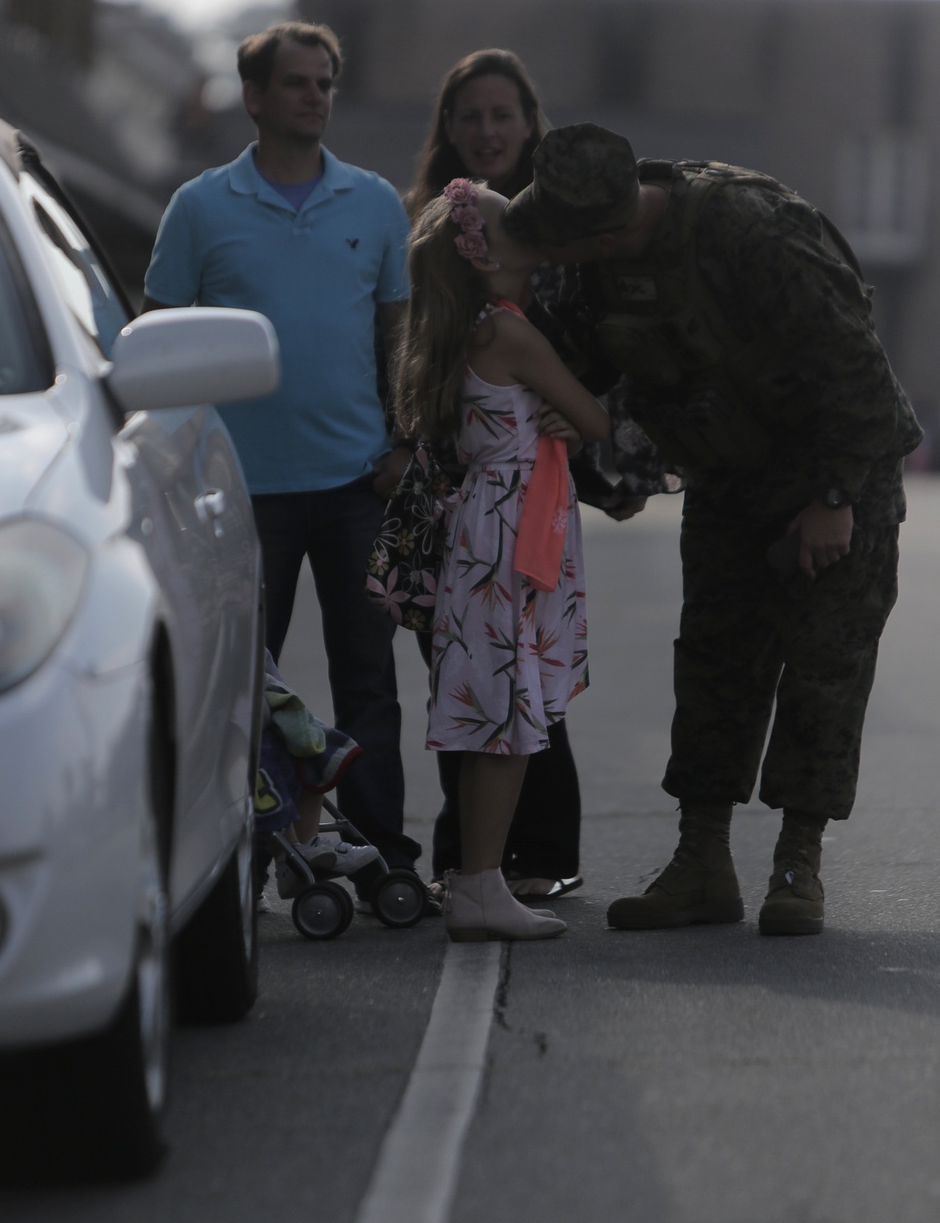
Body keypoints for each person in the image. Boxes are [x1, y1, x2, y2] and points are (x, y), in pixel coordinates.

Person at [502, 123, 923, 936]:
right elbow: (587, 356)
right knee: (714, 660)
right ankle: (702, 863)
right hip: (731, 472)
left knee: (824, 667)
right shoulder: (597, 263)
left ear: (608, 230)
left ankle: (798, 862)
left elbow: (859, 374)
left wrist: (835, 498)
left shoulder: (751, 230)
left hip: (837, 468)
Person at [142, 20, 423, 891]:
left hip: (353, 486)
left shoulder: (374, 204)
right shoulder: (200, 208)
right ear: (255, 97)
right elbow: (156, 339)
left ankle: (378, 855)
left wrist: (403, 445)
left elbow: (401, 335)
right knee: (235, 690)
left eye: (326, 82)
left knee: (368, 682)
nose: (316, 96)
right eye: (297, 82)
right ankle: (253, 859)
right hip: (237, 493)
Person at [406, 49, 653, 903]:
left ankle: (499, 861)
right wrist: (567, 402)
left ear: (527, 121)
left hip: (484, 501)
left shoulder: (455, 307)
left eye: (501, 114)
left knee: (490, 691)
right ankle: (478, 870)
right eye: (469, 115)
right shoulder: (500, 313)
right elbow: (589, 411)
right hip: (509, 519)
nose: (486, 130)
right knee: (510, 695)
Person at [393, 178, 612, 941]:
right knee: (509, 721)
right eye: (499, 214)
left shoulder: (470, 332)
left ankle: (477, 881)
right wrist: (574, 417)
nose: (517, 214)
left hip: (487, 530)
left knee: (501, 715)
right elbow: (591, 415)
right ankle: (481, 885)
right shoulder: (510, 334)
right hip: (510, 540)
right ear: (483, 257)